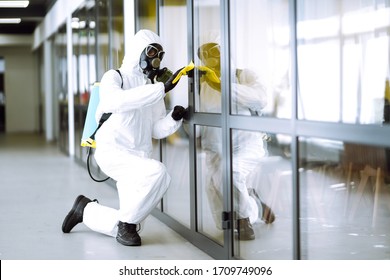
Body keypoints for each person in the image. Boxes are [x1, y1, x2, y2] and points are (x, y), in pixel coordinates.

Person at [62, 29, 188, 246]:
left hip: (139, 156)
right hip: (113, 152)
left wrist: (173, 119)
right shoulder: (114, 76)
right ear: (137, 51)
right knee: (158, 172)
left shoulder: (151, 87)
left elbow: (156, 130)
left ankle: (85, 210)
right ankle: (124, 225)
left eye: (159, 54)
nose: (155, 58)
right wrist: (160, 89)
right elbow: (115, 102)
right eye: (151, 51)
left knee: (133, 222)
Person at [196, 42, 275, 240]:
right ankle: (250, 203)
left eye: (215, 53)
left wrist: (224, 86)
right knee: (212, 186)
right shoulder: (202, 85)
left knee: (231, 173)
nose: (211, 59)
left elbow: (260, 99)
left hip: (247, 144)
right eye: (205, 56)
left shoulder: (245, 75)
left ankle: (246, 218)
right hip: (217, 147)